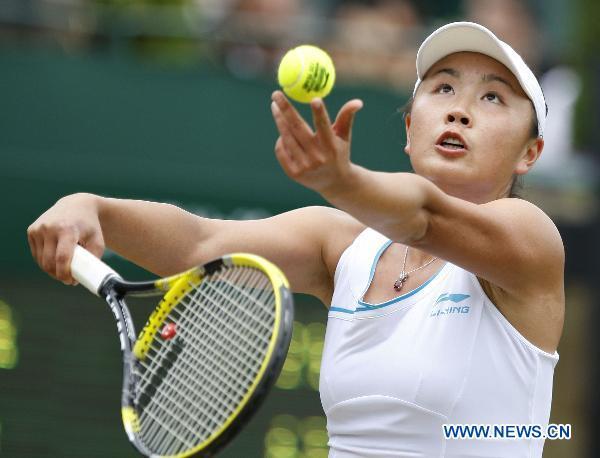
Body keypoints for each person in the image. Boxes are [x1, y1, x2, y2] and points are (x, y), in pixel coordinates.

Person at [27, 21, 564, 458]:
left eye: (493, 98)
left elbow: (424, 217)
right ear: (407, 130)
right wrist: (95, 209)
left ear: (529, 154)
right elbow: (200, 244)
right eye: (442, 87)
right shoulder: (345, 245)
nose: (459, 108)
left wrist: (342, 181)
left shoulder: (529, 238)